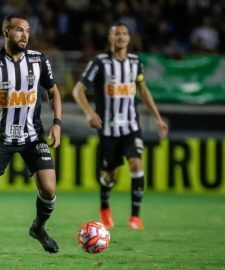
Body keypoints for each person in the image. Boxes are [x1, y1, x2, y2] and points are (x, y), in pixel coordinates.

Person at [0, 14, 62, 254]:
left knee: (49, 190)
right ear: (6, 32)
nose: (25, 35)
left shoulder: (39, 60)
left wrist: (57, 123)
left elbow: (54, 91)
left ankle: (38, 228)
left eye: (28, 31)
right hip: (0, 137)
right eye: (19, 30)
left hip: (32, 137)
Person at [72, 22, 168, 230]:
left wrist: (158, 118)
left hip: (131, 126)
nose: (122, 37)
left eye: (125, 34)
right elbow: (78, 90)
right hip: (108, 129)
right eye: (117, 34)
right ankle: (105, 207)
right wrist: (90, 112)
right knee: (110, 175)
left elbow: (143, 90)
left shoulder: (135, 62)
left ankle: (135, 217)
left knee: (136, 164)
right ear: (110, 38)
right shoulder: (99, 62)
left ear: (129, 38)